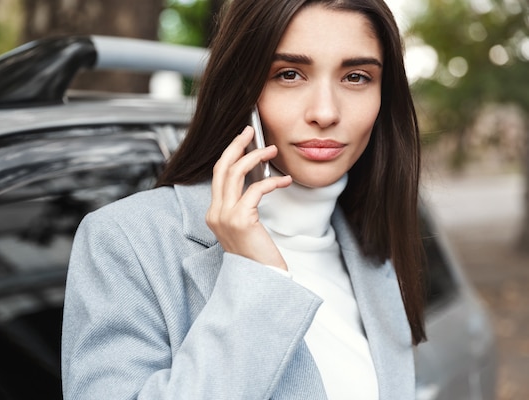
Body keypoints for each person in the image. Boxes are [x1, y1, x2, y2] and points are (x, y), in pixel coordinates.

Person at [62, 0, 426, 398]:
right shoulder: (125, 242)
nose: (325, 112)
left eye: (356, 77)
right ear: (242, 89)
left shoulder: (371, 245)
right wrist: (256, 280)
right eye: (289, 74)